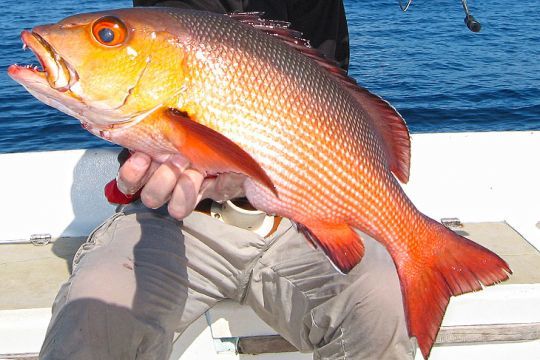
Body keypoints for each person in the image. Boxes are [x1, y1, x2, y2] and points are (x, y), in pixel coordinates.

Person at [39, 1, 416, 359]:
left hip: (297, 216)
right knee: (92, 316)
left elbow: (330, 102)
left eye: (107, 35)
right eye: (107, 37)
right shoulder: (171, 20)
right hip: (172, 218)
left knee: (381, 301)